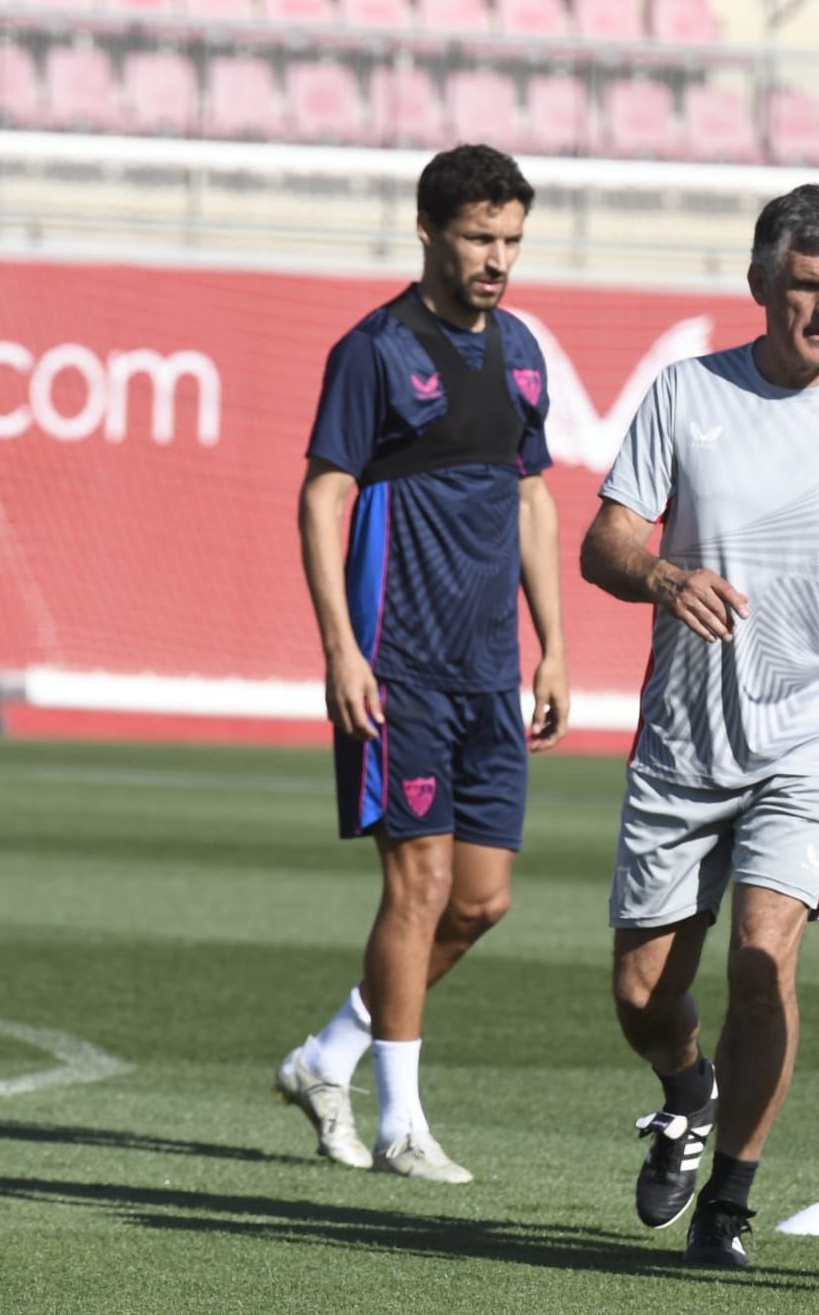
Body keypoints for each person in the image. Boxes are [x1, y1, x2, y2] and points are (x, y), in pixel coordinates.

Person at [579, 183, 819, 1268]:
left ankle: (728, 1204)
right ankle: (687, 1089)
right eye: (806, 287)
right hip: (685, 742)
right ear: (759, 285)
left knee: (761, 960)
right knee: (644, 995)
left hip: (811, 739)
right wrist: (662, 574)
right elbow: (604, 544)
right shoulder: (685, 394)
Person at [276, 144, 569, 1185]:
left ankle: (329, 1057)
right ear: (430, 231)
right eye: (480, 238)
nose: (498, 259)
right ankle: (400, 1123)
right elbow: (323, 496)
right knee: (420, 884)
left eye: (512, 241)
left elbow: (532, 499)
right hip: (398, 664)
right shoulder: (375, 349)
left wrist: (555, 645)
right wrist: (341, 650)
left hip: (492, 670)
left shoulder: (523, 350)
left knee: (481, 901)